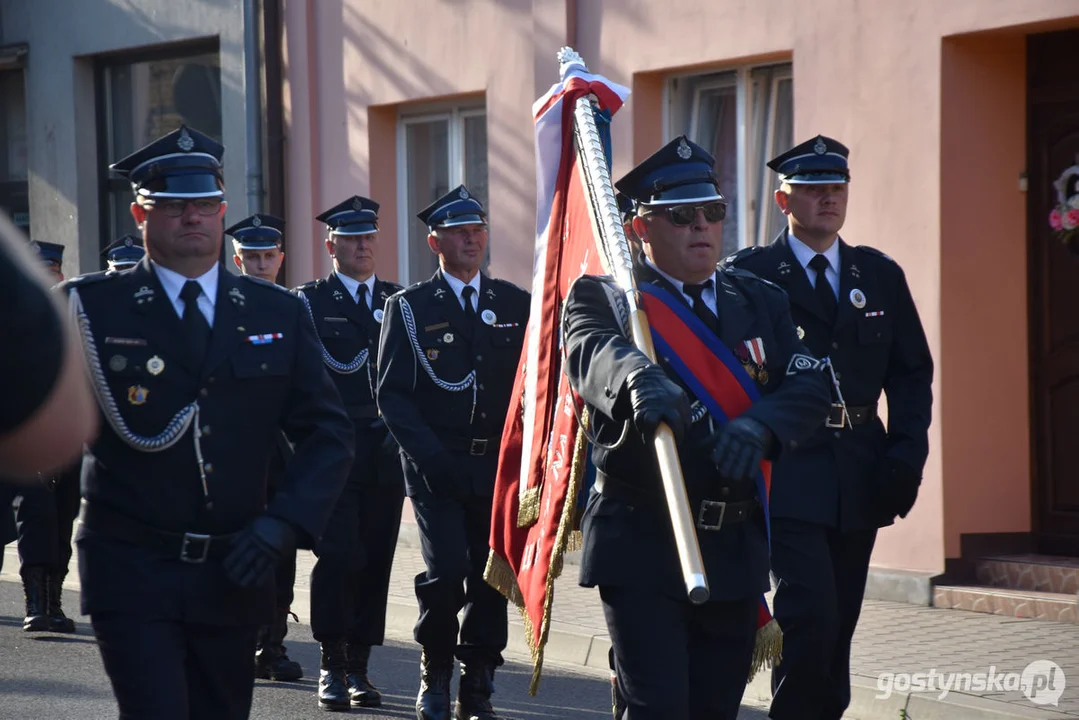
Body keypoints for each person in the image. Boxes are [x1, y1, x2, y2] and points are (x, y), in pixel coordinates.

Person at [64, 124, 354, 720]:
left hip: (236, 564)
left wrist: (284, 526)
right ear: (140, 215)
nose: (191, 217)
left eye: (203, 205)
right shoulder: (89, 307)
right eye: (173, 206)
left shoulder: (276, 310)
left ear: (223, 211)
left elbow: (328, 433)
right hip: (131, 564)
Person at [562, 136, 831, 720]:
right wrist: (637, 376)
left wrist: (761, 425)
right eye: (680, 216)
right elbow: (592, 351)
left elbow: (810, 383)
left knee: (715, 708)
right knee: (660, 707)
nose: (701, 227)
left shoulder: (760, 300)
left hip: (732, 542)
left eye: (713, 212)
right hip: (643, 539)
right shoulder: (609, 298)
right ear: (640, 229)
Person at [725, 135, 933, 720]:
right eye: (813, 189)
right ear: (782, 200)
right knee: (809, 614)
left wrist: (904, 456)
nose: (828, 199)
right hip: (788, 468)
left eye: (836, 188)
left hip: (859, 472)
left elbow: (912, 375)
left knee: (838, 625)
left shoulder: (879, 275)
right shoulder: (751, 275)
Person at [377, 185, 529, 720]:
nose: (472, 239)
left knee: (492, 575)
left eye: (479, 229)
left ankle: (479, 680)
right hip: (436, 466)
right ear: (434, 241)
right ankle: (436, 667)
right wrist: (430, 459)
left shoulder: (513, 303)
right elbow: (391, 394)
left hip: (497, 468)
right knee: (446, 575)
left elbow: (533, 387)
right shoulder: (411, 307)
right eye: (460, 231)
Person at [295, 196, 405, 711]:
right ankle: (330, 664)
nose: (362, 246)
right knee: (339, 557)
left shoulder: (398, 301)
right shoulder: (309, 303)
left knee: (376, 561)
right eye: (352, 238)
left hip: (386, 456)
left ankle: (359, 667)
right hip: (332, 454)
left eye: (369, 237)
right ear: (331, 245)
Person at [223, 212, 304, 683]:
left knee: (282, 551)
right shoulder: (223, 310)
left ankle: (271, 645)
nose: (259, 264)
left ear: (280, 259)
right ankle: (239, 640)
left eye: (267, 256)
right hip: (236, 456)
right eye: (250, 257)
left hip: (285, 454)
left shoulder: (296, 310)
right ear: (237, 260)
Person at [0, 218, 98, 572]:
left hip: (59, 437)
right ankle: (38, 600)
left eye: (52, 270)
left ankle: (48, 598)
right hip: (18, 435)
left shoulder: (76, 318)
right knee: (29, 513)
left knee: (60, 516)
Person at [228, 214, 285, 283]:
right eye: (253, 257)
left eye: (269, 256)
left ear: (280, 259)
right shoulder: (224, 293)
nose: (262, 266)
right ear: (238, 261)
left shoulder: (292, 294)